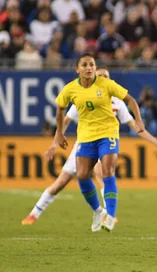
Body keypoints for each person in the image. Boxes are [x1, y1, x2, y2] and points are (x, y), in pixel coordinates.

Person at [23, 68, 157, 225]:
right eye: (100, 76)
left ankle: (108, 214)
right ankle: (34, 213)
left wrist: (155, 141)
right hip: (83, 146)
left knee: (101, 173)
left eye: (106, 77)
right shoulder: (83, 96)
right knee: (60, 184)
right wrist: (55, 142)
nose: (103, 79)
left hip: (104, 143)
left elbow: (134, 125)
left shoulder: (117, 103)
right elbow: (65, 120)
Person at [44, 54, 146, 233]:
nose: (89, 68)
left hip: (108, 133)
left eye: (92, 64)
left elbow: (130, 100)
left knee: (108, 170)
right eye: (84, 65)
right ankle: (98, 212)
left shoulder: (105, 84)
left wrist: (138, 121)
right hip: (85, 137)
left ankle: (111, 216)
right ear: (77, 69)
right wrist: (59, 133)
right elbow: (60, 110)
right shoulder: (70, 89)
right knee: (82, 175)